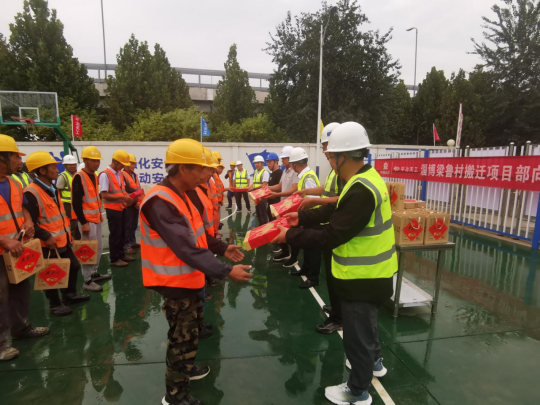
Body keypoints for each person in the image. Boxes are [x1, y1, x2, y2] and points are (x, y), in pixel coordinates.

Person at [272, 122, 397, 405]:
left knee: (357, 337)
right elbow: (335, 209)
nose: (328, 160)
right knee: (367, 327)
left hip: (362, 277)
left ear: (344, 156)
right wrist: (300, 218)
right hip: (372, 274)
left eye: (330, 156)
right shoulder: (363, 179)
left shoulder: (361, 189)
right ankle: (375, 363)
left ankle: (358, 391)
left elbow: (332, 234)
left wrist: (288, 235)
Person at [139, 138, 252, 405]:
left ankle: (186, 370)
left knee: (190, 335)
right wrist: (226, 271)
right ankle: (175, 396)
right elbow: (186, 248)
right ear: (182, 168)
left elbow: (198, 236)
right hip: (174, 283)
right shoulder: (160, 201)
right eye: (201, 169)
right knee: (181, 340)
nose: (206, 175)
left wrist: (222, 247)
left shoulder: (183, 194)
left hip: (190, 278)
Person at [0, 135, 49, 361]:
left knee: (20, 290)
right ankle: (1, 344)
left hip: (17, 248)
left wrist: (28, 222)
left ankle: (20, 328)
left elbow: (23, 208)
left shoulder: (14, 183)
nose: (21, 162)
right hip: (4, 248)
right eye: (16, 157)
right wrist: (4, 241)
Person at [24, 152, 90, 316]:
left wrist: (68, 234)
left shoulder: (52, 189)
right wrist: (46, 236)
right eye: (53, 167)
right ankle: (54, 304)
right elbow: (29, 222)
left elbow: (59, 215)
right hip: (47, 242)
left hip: (62, 239)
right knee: (50, 273)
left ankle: (69, 295)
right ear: (42, 171)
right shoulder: (31, 193)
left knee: (73, 265)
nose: (57, 170)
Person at [296, 123, 344, 334]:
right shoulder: (335, 169)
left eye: (326, 146)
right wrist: (309, 193)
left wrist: (315, 200)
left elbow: (342, 199)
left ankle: (338, 317)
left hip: (336, 226)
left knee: (336, 276)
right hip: (329, 221)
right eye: (324, 146)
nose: (325, 150)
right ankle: (336, 308)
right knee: (332, 274)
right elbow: (327, 189)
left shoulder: (345, 171)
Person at [72, 146, 111, 293]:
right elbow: (76, 203)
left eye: (97, 161)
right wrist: (83, 223)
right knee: (88, 251)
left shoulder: (94, 176)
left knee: (98, 247)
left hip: (95, 218)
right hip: (87, 220)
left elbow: (95, 198)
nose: (96, 163)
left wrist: (99, 215)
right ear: (85, 160)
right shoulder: (79, 177)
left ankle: (94, 273)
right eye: (93, 160)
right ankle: (87, 280)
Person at [287, 147, 322, 289]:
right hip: (308, 217)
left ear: (296, 164)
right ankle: (306, 269)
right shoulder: (304, 176)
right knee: (307, 246)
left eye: (291, 164)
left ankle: (313, 277)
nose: (291, 167)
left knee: (313, 249)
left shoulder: (308, 177)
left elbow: (312, 201)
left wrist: (301, 216)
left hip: (313, 218)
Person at [98, 150, 134, 267]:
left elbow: (121, 190)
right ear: (115, 162)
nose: (123, 166)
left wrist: (128, 197)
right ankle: (114, 259)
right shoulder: (105, 174)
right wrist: (123, 197)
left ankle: (121, 255)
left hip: (122, 207)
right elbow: (104, 195)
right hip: (113, 209)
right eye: (122, 164)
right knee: (115, 234)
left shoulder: (119, 174)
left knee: (122, 232)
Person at [268, 146, 300, 266]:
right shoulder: (285, 171)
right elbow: (280, 186)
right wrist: (266, 188)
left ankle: (294, 258)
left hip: (291, 207)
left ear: (291, 158)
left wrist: (277, 194)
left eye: (284, 158)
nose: (282, 160)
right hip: (283, 207)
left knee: (292, 233)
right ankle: (285, 252)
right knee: (281, 229)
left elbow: (294, 190)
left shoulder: (295, 172)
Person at [121, 153, 143, 253]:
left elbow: (138, 189)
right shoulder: (122, 175)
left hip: (135, 203)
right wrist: (134, 203)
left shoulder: (134, 175)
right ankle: (126, 246)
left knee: (133, 224)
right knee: (127, 225)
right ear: (126, 164)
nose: (133, 166)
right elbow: (126, 191)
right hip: (128, 204)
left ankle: (132, 242)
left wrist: (138, 202)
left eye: (134, 164)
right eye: (131, 163)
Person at [57, 154, 81, 241]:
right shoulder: (63, 176)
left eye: (73, 164)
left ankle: (78, 241)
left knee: (78, 223)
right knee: (72, 224)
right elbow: (58, 191)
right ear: (65, 166)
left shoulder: (78, 174)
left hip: (77, 203)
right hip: (67, 204)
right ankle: (71, 242)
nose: (72, 166)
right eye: (70, 164)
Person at [250, 155, 270, 225]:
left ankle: (264, 228)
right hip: (256, 196)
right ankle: (260, 227)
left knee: (263, 214)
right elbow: (254, 183)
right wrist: (249, 187)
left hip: (262, 196)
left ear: (262, 163)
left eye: (258, 163)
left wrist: (253, 188)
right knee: (258, 214)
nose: (256, 164)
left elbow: (264, 184)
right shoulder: (255, 172)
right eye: (255, 163)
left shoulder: (265, 172)